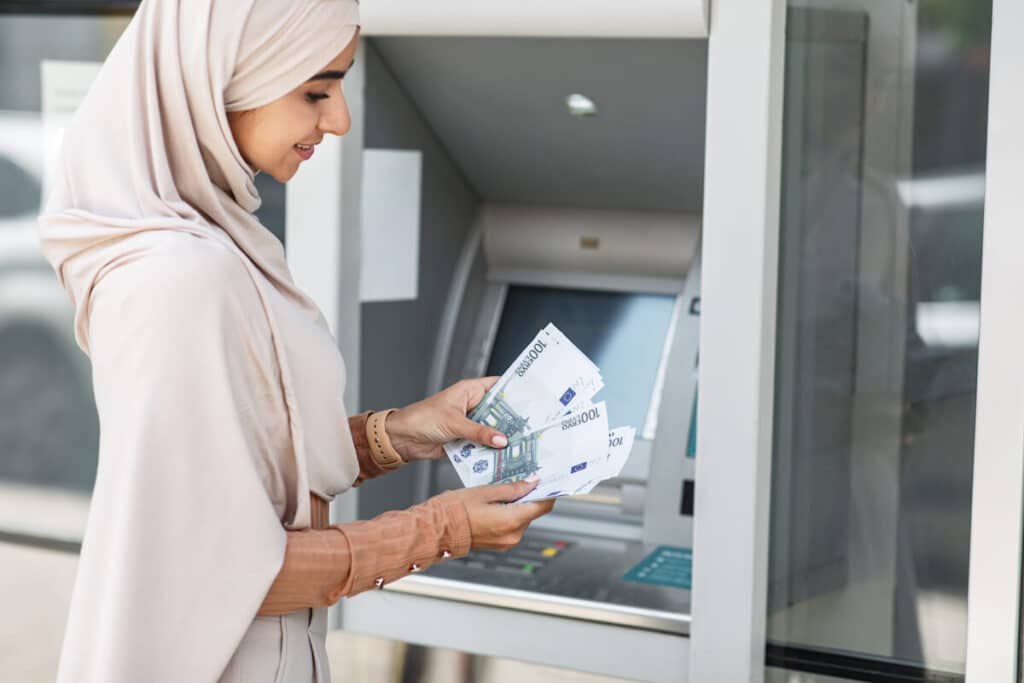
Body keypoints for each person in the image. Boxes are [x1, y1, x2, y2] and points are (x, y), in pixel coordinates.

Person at [37, 1, 555, 681]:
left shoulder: (212, 244)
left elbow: (243, 465)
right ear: (220, 77)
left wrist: (403, 431)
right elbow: (227, 565)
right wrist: (443, 527)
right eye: (315, 89)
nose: (338, 119)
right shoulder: (179, 279)